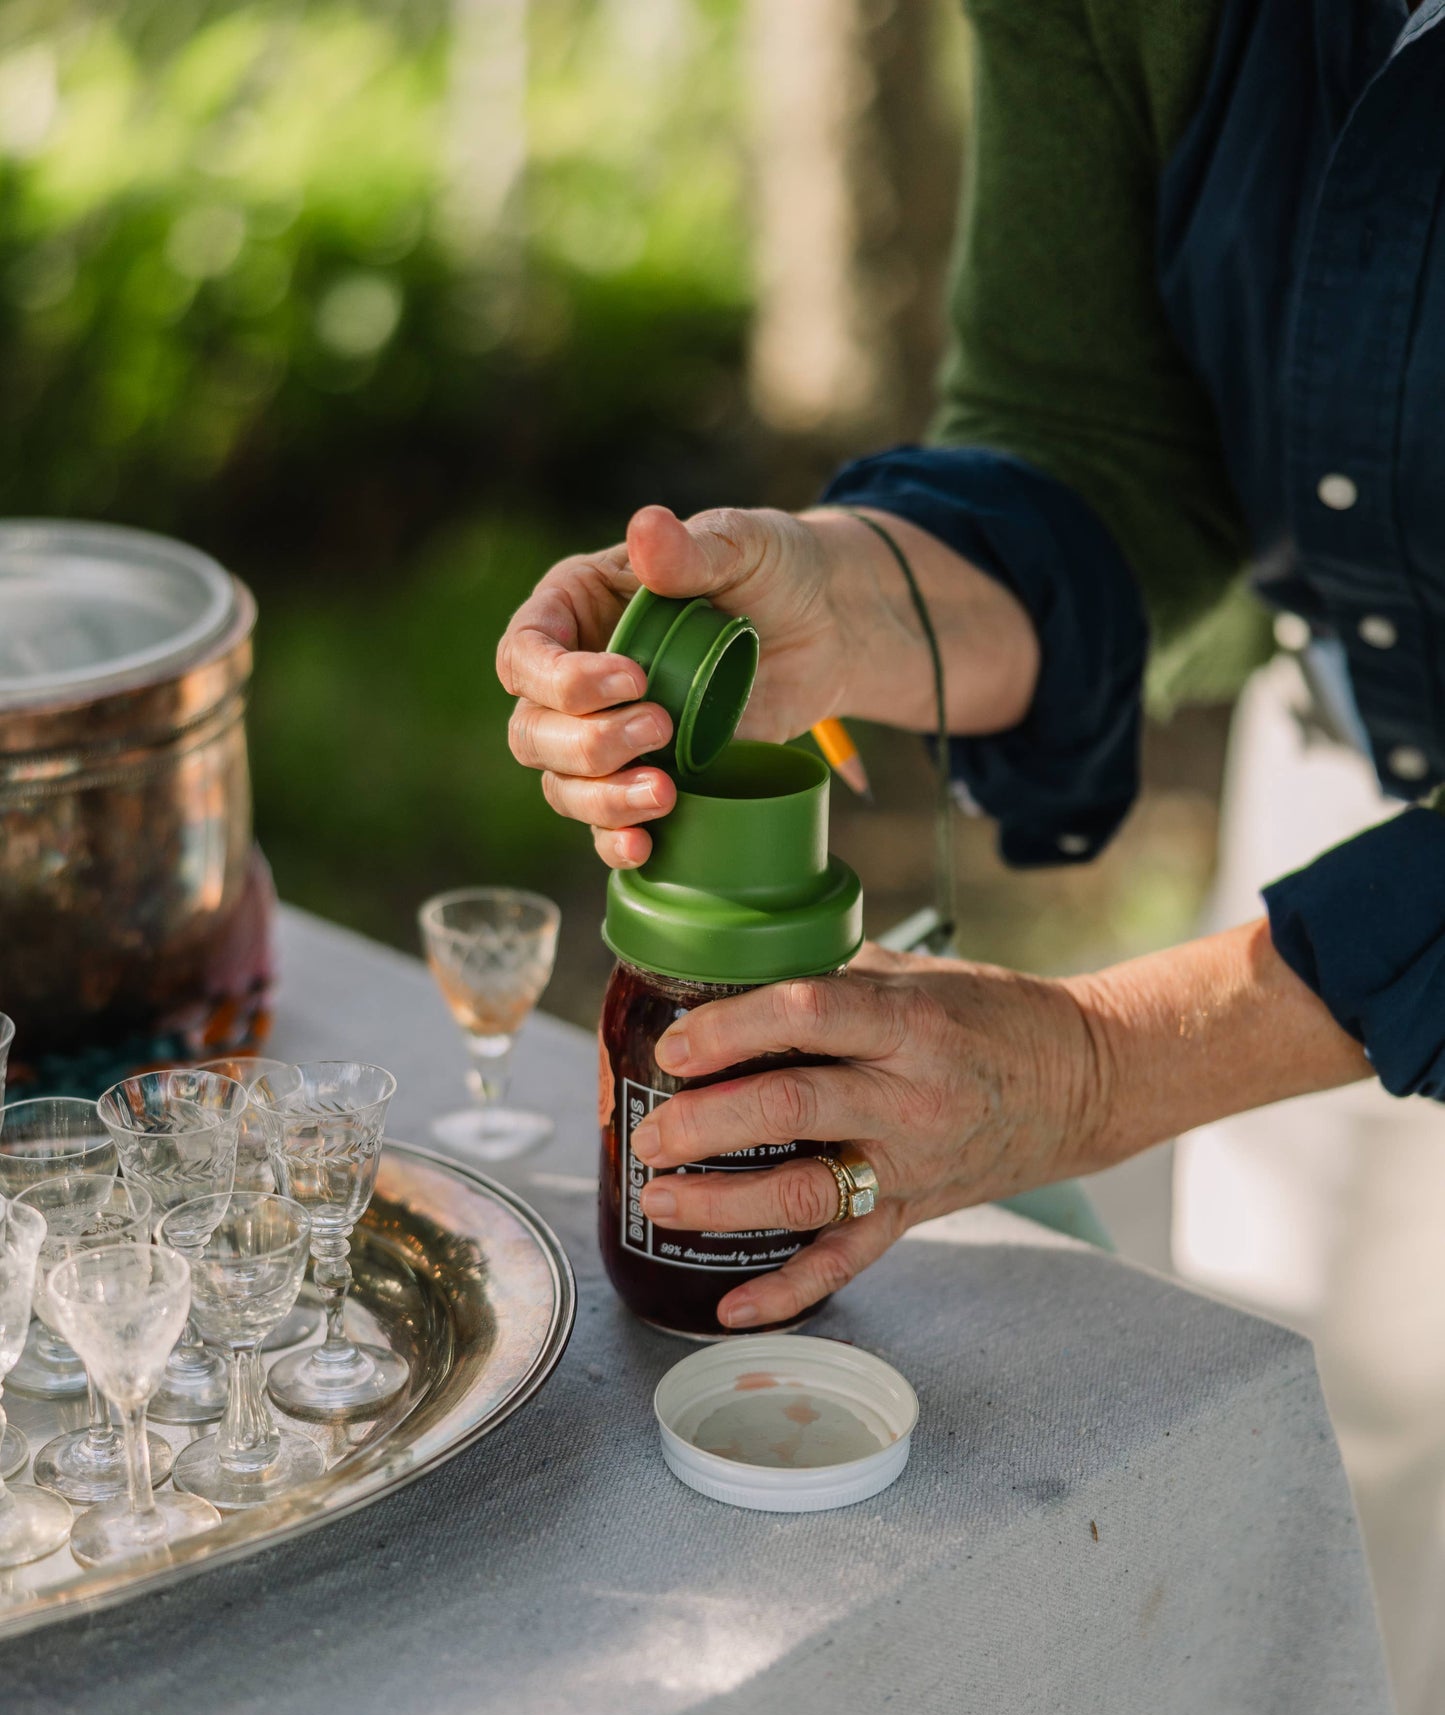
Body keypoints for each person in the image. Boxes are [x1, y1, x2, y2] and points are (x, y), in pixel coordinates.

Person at [498, 0, 1445, 1337]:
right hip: (1348, 783)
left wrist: (1108, 1065)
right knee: (1313, 1413)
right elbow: (1101, 434)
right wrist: (852, 597)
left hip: (1352, 927)